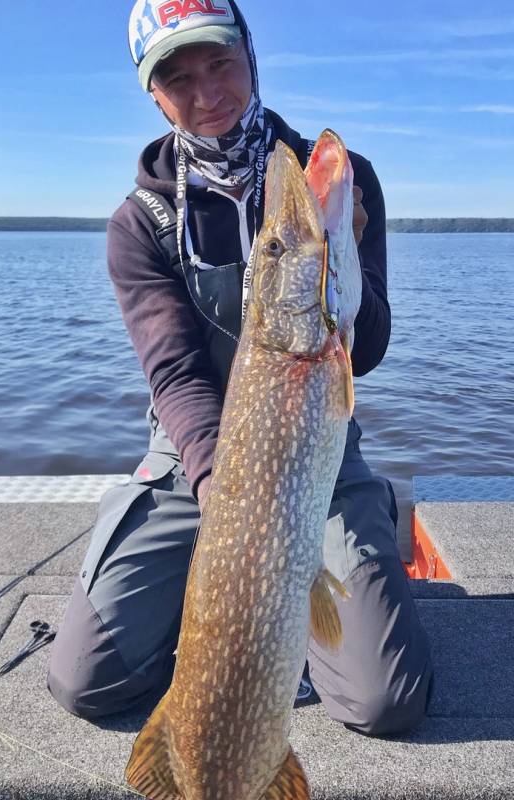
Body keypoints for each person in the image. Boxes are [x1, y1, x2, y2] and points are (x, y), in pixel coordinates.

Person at [47, 0, 433, 736]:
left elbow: (371, 350)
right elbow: (177, 377)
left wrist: (343, 257)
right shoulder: (140, 222)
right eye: (178, 78)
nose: (207, 91)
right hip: (196, 451)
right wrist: (235, 508)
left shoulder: (344, 183)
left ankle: (360, 519)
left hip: (316, 444)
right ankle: (173, 571)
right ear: (152, 95)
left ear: (250, 56)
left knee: (385, 703)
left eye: (220, 62)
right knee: (87, 682)